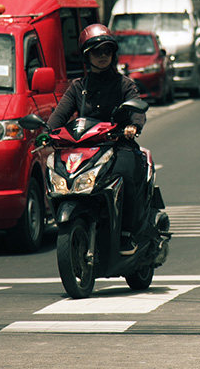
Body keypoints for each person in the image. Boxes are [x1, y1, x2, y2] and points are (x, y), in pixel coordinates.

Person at [47, 23, 148, 255]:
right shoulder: (77, 87)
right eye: (96, 52)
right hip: (86, 148)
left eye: (107, 51)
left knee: (126, 173)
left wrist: (133, 125)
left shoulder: (125, 85)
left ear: (113, 54)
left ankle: (126, 233)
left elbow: (137, 111)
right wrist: (45, 133)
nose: (102, 56)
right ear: (87, 56)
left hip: (118, 144)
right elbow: (60, 115)